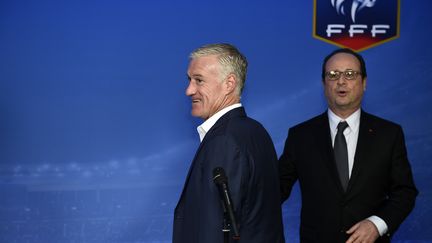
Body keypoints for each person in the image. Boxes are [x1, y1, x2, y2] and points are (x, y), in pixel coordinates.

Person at [278, 48, 418, 243]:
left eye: (350, 74)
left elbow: (405, 192)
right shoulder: (300, 136)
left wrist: (377, 224)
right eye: (333, 75)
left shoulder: (389, 134)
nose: (341, 81)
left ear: (364, 83)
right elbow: (275, 189)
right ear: (324, 83)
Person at [173, 43, 285, 243]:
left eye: (199, 80)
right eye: (189, 80)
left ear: (229, 84)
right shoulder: (256, 131)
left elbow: (214, 229)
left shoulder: (224, 141)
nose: (189, 90)